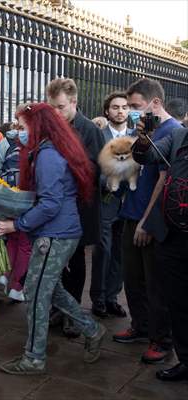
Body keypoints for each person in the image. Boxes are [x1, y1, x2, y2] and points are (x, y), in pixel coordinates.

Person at [0, 103, 106, 375]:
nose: (19, 131)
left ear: (37, 126)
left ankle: (34, 358)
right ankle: (92, 329)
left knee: (35, 294)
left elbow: (50, 204)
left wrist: (15, 225)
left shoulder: (47, 154)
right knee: (49, 289)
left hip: (55, 234)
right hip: (58, 232)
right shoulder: (52, 149)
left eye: (23, 126)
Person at [114, 78, 180, 364]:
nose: (131, 111)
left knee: (155, 285)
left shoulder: (173, 132)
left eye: (136, 106)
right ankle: (140, 326)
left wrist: (146, 221)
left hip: (151, 220)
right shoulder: (141, 131)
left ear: (155, 103)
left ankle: (161, 339)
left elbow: (164, 181)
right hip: (131, 211)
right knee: (133, 278)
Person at [46, 78, 105, 338]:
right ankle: (58, 309)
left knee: (76, 260)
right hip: (53, 204)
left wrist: (64, 167)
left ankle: (73, 313)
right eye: (52, 107)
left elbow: (94, 168)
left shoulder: (89, 129)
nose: (55, 113)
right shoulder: (50, 128)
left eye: (60, 107)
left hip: (79, 206)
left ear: (74, 102)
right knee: (54, 262)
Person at [132, 125, 188, 381]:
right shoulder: (178, 136)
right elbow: (146, 156)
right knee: (176, 301)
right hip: (173, 235)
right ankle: (186, 359)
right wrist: (144, 140)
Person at [90, 92, 131, 319]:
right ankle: (98, 299)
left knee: (120, 253)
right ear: (107, 111)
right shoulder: (99, 135)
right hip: (105, 202)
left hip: (128, 204)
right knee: (103, 252)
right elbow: (91, 168)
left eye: (124, 107)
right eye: (115, 107)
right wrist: (107, 182)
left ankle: (112, 297)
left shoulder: (137, 136)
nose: (120, 111)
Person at [0, 120, 31, 302]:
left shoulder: (9, 145)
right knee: (25, 244)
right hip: (26, 200)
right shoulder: (32, 148)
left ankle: (4, 275)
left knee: (11, 240)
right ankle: (17, 287)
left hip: (8, 197)